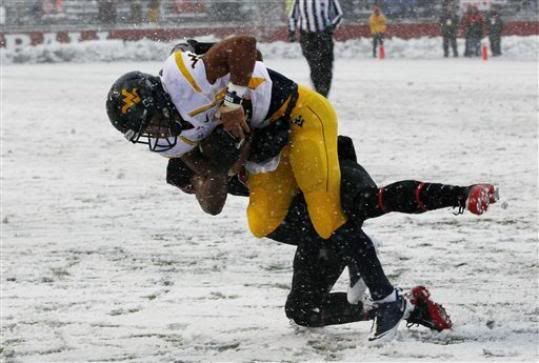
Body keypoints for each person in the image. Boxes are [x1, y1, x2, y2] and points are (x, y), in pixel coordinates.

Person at [105, 37, 496, 341]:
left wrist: (232, 99)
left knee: (357, 205)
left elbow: (241, 48)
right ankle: (407, 304)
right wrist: (215, 169)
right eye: (146, 134)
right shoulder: (185, 148)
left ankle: (457, 200)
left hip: (301, 132)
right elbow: (214, 202)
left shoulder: (190, 83)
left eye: (153, 123)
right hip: (287, 192)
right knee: (298, 298)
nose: (155, 136)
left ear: (164, 102)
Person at [165, 126, 496, 333]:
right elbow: (213, 204)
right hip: (316, 228)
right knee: (302, 310)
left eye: (195, 184)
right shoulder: (230, 180)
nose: (201, 193)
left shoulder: (237, 133)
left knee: (372, 201)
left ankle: (463, 193)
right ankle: (408, 304)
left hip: (330, 178)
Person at [288, 0, 343, 97]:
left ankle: (324, 93)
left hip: (324, 36)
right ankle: (319, 92)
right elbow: (293, 16)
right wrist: (291, 31)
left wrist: (330, 27)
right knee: (315, 66)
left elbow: (339, 15)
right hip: (307, 37)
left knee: (326, 66)